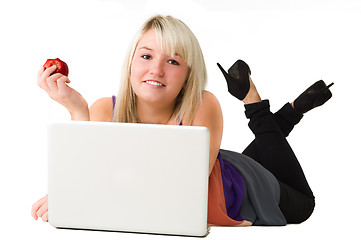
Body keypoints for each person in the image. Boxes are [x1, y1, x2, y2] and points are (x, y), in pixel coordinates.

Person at [31, 15, 333, 226]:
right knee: (256, 155)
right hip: (226, 169)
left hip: (247, 190)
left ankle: (253, 102)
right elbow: (94, 175)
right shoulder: (99, 110)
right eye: (146, 56)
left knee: (304, 203)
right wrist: (78, 112)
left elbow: (172, 190)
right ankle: (293, 110)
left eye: (173, 61)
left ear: (188, 75)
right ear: (131, 64)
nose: (157, 70)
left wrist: (79, 195)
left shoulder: (202, 104)